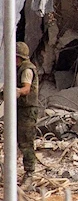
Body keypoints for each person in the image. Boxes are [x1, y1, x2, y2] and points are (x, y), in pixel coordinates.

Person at [16, 42, 39, 186]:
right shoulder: (18, 69)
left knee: (26, 142)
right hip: (20, 109)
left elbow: (26, 89)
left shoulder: (27, 70)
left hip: (27, 111)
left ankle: (30, 174)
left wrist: (15, 91)